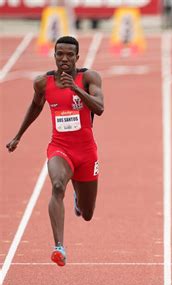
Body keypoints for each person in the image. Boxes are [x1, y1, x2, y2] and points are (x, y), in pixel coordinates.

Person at [6, 36, 104, 267]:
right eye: (60, 54)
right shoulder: (43, 83)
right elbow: (35, 106)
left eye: (70, 54)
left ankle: (79, 201)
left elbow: (99, 108)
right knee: (57, 185)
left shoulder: (89, 78)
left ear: (77, 58)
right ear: (54, 56)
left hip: (86, 152)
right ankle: (59, 247)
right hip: (59, 148)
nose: (64, 59)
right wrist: (18, 136)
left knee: (88, 213)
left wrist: (76, 90)